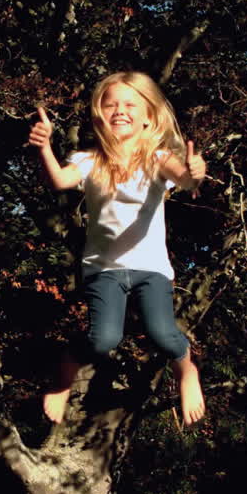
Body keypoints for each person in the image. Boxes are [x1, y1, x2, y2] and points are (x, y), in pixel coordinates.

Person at [28, 71, 207, 426]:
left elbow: (186, 180)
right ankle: (66, 370)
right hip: (103, 268)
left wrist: (195, 171)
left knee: (164, 335)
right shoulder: (89, 160)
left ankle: (187, 372)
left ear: (148, 117)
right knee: (103, 338)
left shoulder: (158, 158)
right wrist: (45, 149)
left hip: (151, 268)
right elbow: (60, 180)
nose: (120, 111)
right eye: (111, 105)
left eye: (130, 105)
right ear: (99, 115)